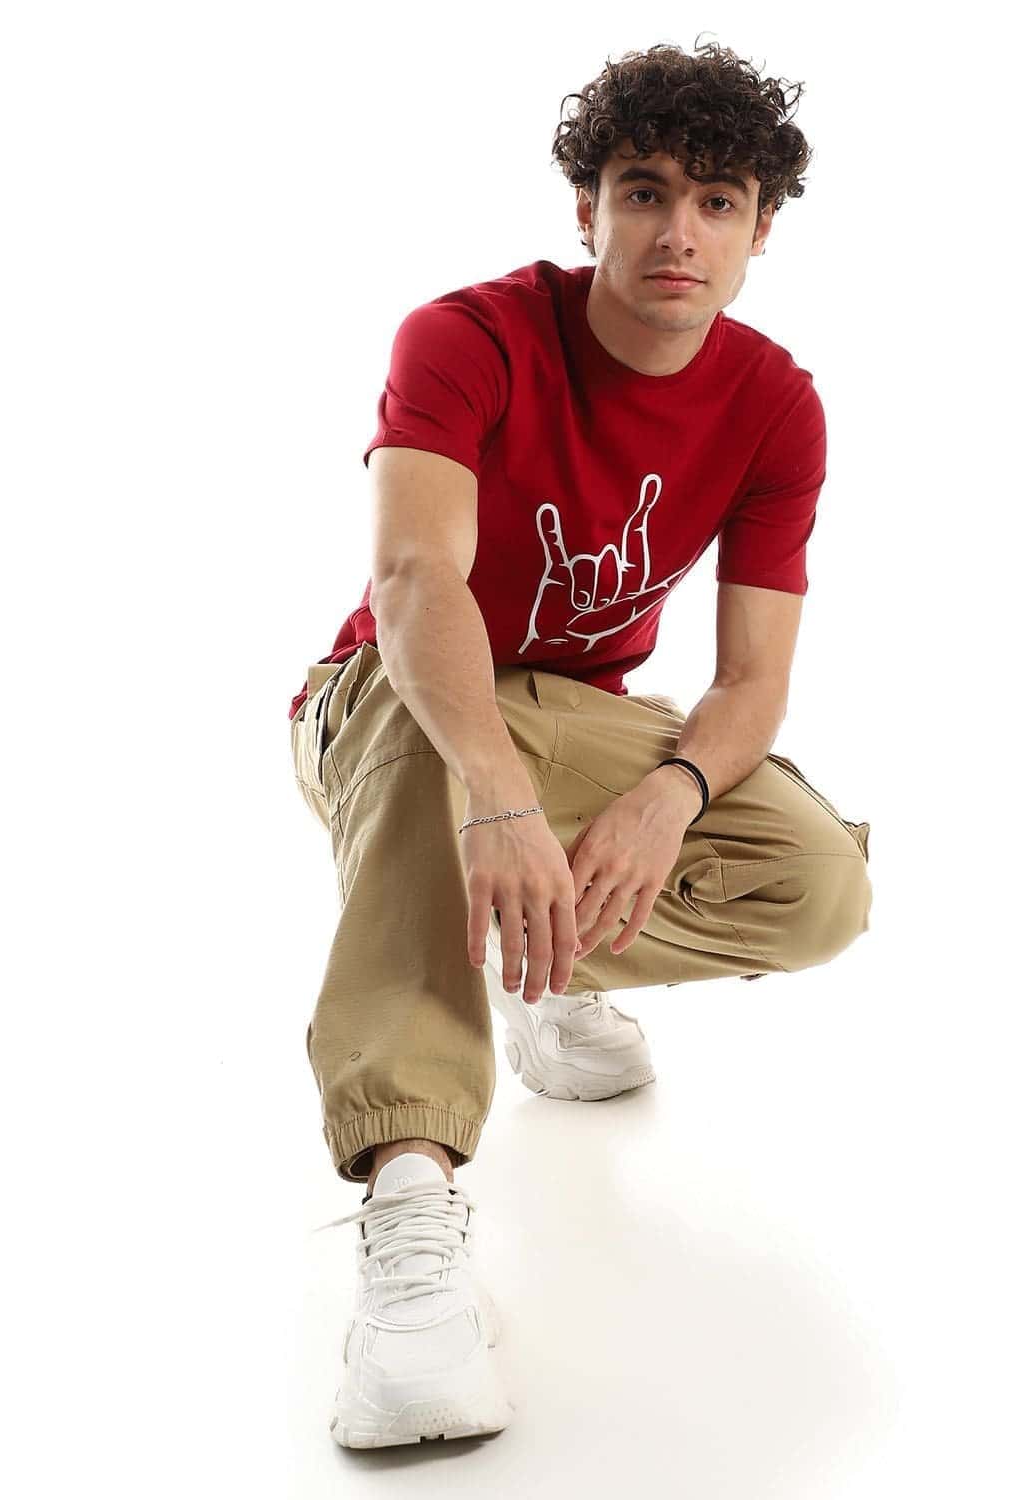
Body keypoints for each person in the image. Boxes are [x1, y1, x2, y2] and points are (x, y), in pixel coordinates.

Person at [289, 39, 872, 1448]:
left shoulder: (775, 404)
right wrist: (498, 795)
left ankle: (529, 959)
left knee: (817, 883)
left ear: (761, 231)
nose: (679, 233)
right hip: (385, 698)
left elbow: (751, 683)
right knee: (440, 750)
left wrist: (671, 793)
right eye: (644, 191)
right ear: (587, 209)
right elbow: (416, 582)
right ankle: (413, 1227)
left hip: (585, 721)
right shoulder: (469, 338)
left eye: (719, 201)